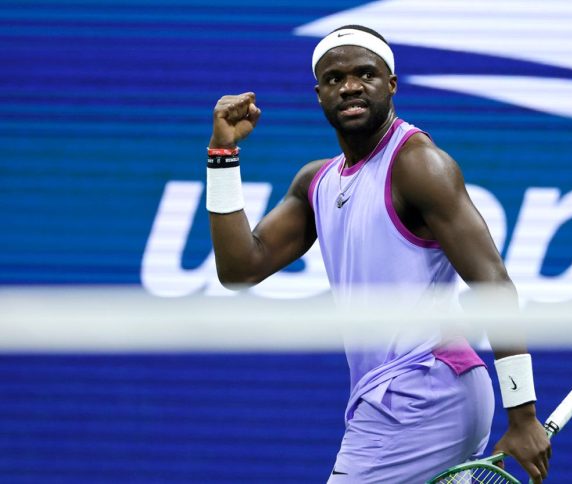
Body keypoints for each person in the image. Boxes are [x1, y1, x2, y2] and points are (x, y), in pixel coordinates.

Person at [205, 25, 551, 483]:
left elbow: (493, 283)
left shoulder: (418, 165)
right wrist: (223, 153)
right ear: (319, 94)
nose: (349, 86)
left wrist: (523, 414)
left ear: (390, 84)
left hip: (424, 391)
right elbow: (239, 268)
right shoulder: (317, 182)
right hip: (397, 392)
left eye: (365, 74)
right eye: (334, 78)